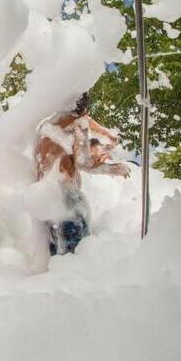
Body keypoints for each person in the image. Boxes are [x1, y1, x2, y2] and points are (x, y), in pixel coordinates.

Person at [35, 93, 130, 256]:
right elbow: (83, 162)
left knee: (56, 252)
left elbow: (87, 122)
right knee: (76, 253)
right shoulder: (79, 124)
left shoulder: (48, 126)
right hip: (67, 198)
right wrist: (114, 168)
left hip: (45, 198)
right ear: (83, 108)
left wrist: (107, 135)